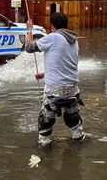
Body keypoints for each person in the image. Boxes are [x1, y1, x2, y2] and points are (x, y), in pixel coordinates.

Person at [25, 12, 85, 145]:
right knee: (73, 120)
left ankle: (44, 153)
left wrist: (29, 29)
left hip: (55, 90)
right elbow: (66, 64)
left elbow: (28, 47)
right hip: (73, 89)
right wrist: (44, 74)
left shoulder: (53, 37)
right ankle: (78, 140)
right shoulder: (74, 40)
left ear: (52, 26)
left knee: (45, 122)